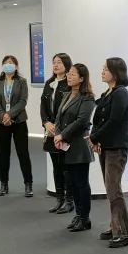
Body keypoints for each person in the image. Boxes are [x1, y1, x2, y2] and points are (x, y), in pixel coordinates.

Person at [90, 58, 128, 247]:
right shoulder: (108, 93)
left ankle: (123, 232)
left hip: (117, 147)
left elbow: (114, 121)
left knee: (114, 189)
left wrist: (95, 137)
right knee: (110, 189)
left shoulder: (121, 93)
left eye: (106, 69)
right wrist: (96, 138)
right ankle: (115, 226)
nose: (102, 71)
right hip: (107, 145)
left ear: (116, 73)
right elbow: (99, 120)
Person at [54, 63, 97, 232]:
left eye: (73, 74)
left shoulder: (88, 97)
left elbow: (82, 121)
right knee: (71, 183)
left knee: (81, 183)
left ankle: (85, 217)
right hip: (66, 146)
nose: (69, 76)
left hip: (79, 145)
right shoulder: (66, 94)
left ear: (82, 78)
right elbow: (58, 118)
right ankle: (78, 215)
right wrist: (58, 134)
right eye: (69, 73)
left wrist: (62, 135)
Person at [0, 55, 33, 197]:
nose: (8, 65)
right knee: (3, 154)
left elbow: (23, 101)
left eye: (10, 63)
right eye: (5, 63)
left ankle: (28, 184)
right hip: (1, 123)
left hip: (19, 122)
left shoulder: (21, 81)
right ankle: (4, 184)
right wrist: (3, 115)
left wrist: (10, 114)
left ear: (16, 66)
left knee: (23, 153)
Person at [40, 53, 74, 214]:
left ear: (66, 65)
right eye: (54, 62)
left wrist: (60, 128)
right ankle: (59, 199)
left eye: (59, 62)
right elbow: (43, 106)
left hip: (64, 130)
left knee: (66, 166)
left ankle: (69, 200)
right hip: (51, 130)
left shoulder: (69, 84)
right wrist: (46, 123)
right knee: (56, 166)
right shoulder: (49, 83)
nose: (55, 65)